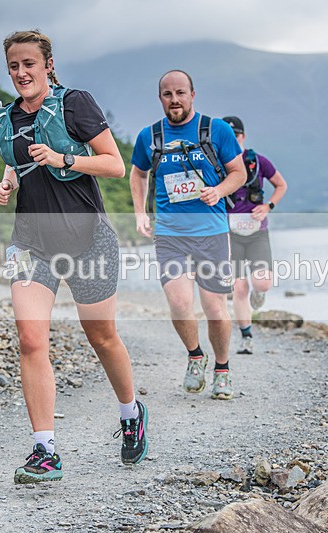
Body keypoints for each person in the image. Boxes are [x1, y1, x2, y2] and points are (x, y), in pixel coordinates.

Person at [0, 30, 148, 484]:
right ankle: (45, 450)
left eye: (29, 64)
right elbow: (17, 160)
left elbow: (114, 164)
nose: (21, 73)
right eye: (14, 66)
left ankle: (131, 413)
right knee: (30, 340)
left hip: (88, 240)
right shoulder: (8, 117)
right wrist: (8, 182)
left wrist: (63, 159)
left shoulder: (75, 103)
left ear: (48, 65)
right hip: (30, 244)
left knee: (102, 336)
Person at [129, 70, 247, 400]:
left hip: (211, 232)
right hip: (170, 234)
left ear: (192, 94)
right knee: (180, 303)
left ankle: (222, 369)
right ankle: (196, 356)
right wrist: (140, 213)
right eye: (168, 94)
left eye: (180, 93)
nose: (175, 100)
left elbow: (239, 173)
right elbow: (138, 174)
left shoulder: (216, 130)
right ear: (160, 98)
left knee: (214, 308)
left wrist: (218, 190)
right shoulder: (150, 136)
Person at [222, 116, 288, 355]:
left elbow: (281, 185)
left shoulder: (258, 162)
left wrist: (268, 206)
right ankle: (246, 336)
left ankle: (259, 293)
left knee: (262, 282)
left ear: (243, 136)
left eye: (236, 136)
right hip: (230, 234)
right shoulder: (217, 165)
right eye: (228, 137)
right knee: (239, 288)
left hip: (257, 232)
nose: (233, 140)